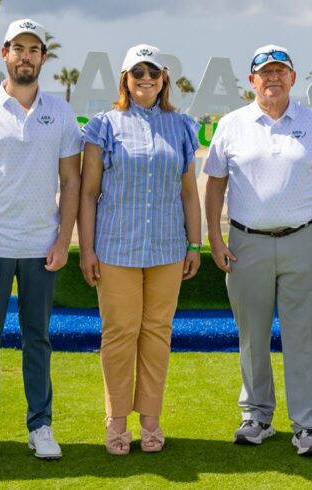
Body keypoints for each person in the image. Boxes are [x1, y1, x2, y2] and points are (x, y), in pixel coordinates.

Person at [203, 45, 312, 458]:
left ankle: (307, 426)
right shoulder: (231, 125)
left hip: (305, 241)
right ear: (252, 80)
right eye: (265, 72)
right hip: (246, 243)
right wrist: (214, 238)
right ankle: (257, 417)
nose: (273, 78)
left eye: (280, 71)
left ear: (292, 78)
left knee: (305, 337)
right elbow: (214, 185)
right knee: (252, 336)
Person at [0, 18, 83, 464]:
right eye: (18, 49)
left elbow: (72, 181)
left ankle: (40, 426)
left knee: (37, 340)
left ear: (43, 58)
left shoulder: (61, 113)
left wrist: (63, 240)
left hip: (41, 247)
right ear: (5, 54)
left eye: (33, 50)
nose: (25, 57)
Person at [78, 44, 203, 455]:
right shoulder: (104, 125)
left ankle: (150, 418)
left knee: (157, 333)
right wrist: (87, 250)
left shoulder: (181, 126)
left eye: (153, 72)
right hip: (115, 248)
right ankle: (116, 420)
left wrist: (195, 243)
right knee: (119, 333)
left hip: (168, 249)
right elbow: (89, 193)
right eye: (137, 72)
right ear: (125, 79)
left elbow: (188, 192)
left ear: (163, 78)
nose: (145, 79)